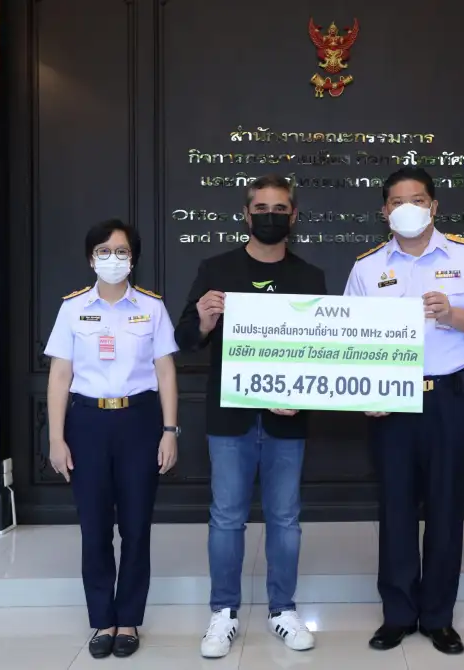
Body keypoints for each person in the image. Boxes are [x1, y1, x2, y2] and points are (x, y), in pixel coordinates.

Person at [344, 167, 464, 655]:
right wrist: (367, 393)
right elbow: (351, 337)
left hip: (448, 399)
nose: (407, 208)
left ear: (433, 206)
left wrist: (452, 315)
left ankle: (438, 617)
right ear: (384, 211)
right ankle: (397, 614)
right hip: (390, 401)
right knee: (395, 508)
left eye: (417, 199)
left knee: (445, 508)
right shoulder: (367, 267)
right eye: (397, 202)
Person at [176, 174, 327, 659]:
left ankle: (283, 610)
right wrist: (204, 320)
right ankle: (223, 612)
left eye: (280, 209)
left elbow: (323, 351)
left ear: (294, 216)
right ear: (245, 214)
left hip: (288, 418)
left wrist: (303, 392)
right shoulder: (215, 269)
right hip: (230, 419)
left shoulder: (311, 278)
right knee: (226, 518)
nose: (270, 216)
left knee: (285, 519)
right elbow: (185, 338)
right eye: (261, 208)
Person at [45, 219, 179, 660]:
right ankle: (103, 619)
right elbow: (59, 376)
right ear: (91, 258)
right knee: (95, 527)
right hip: (87, 423)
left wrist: (170, 431)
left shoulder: (152, 307)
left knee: (136, 527)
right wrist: (56, 438)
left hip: (139, 421)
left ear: (133, 258)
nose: (113, 258)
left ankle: (129, 620)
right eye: (104, 251)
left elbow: (165, 372)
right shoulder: (72, 308)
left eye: (121, 251)